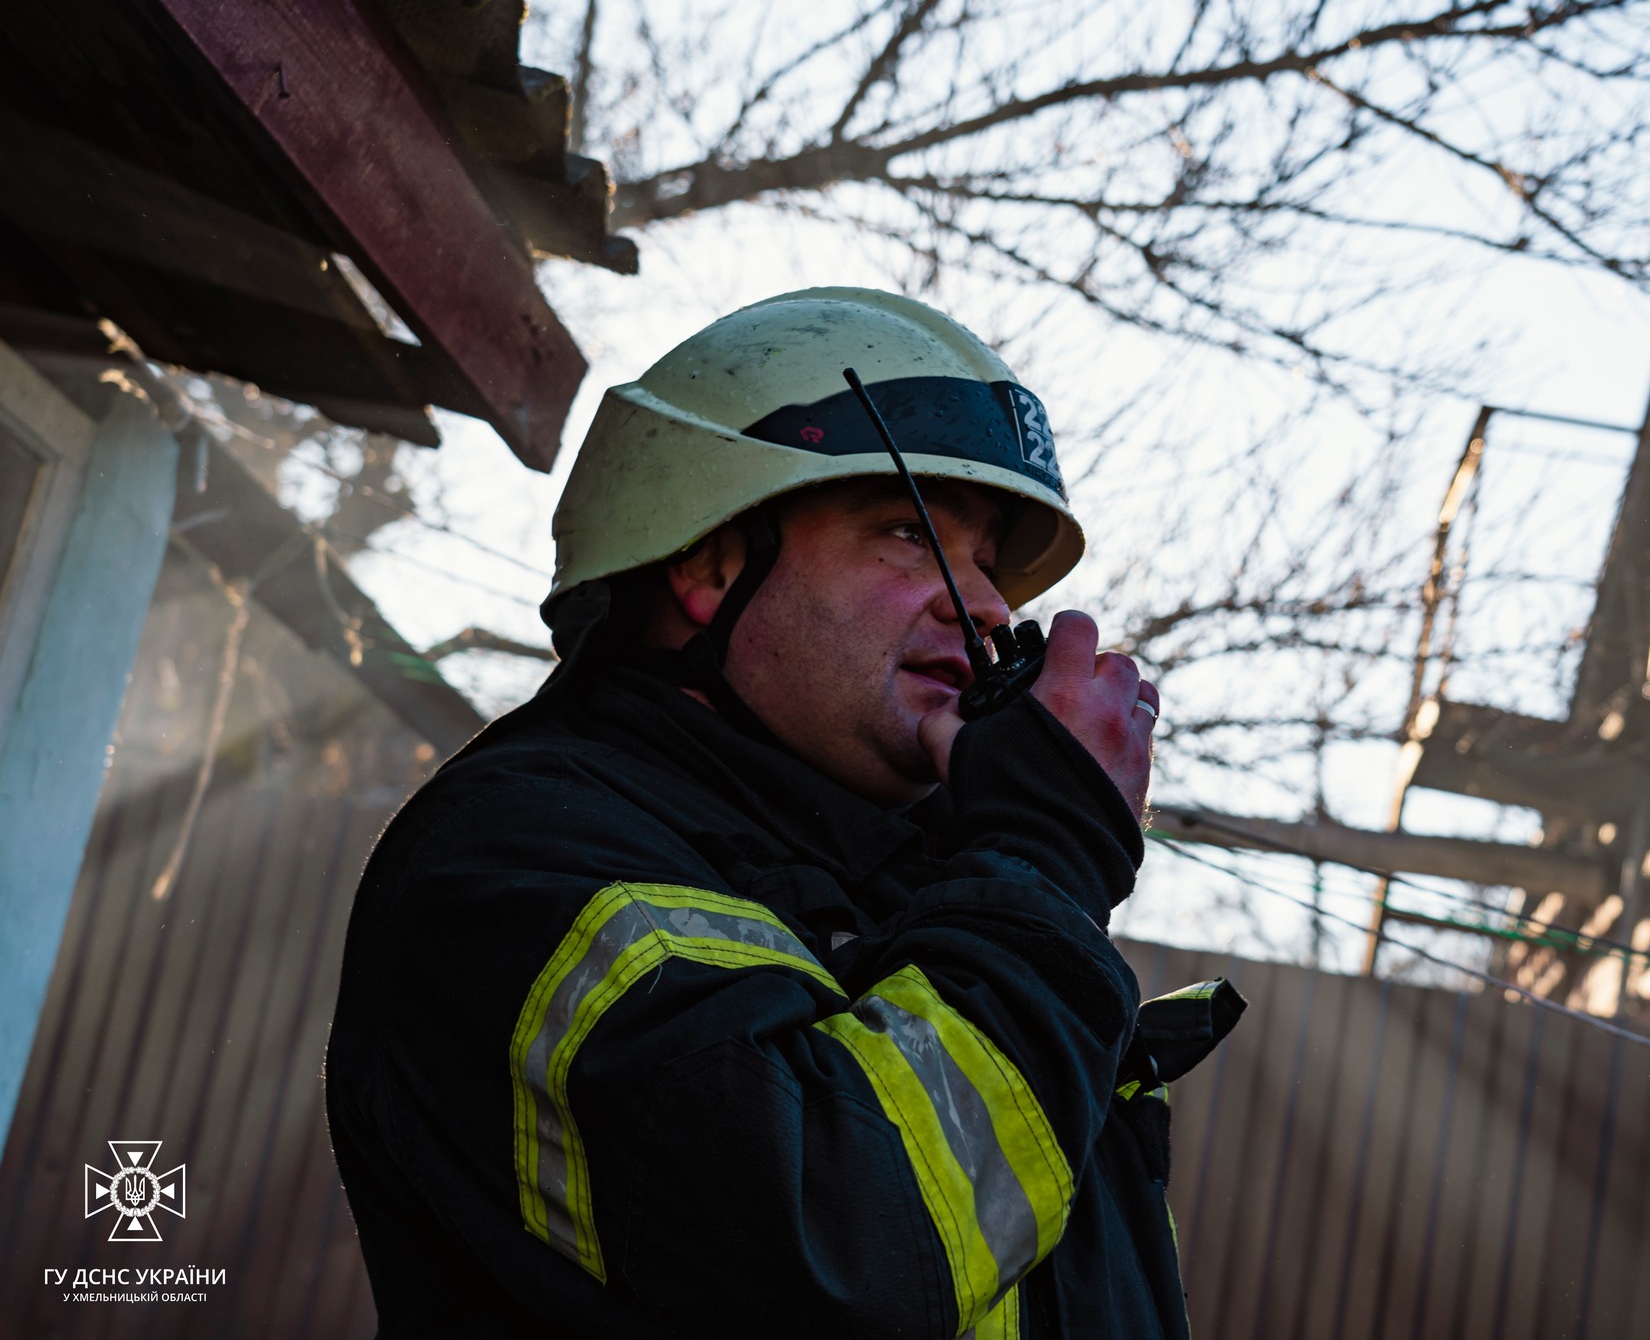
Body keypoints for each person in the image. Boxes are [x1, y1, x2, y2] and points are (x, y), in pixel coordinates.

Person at [327, 288, 1243, 1338]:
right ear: (709, 562)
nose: (990, 608)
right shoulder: (511, 863)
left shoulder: (953, 917)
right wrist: (1045, 857)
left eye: (989, 563)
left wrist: (1016, 873)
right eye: (908, 532)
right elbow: (842, 1261)